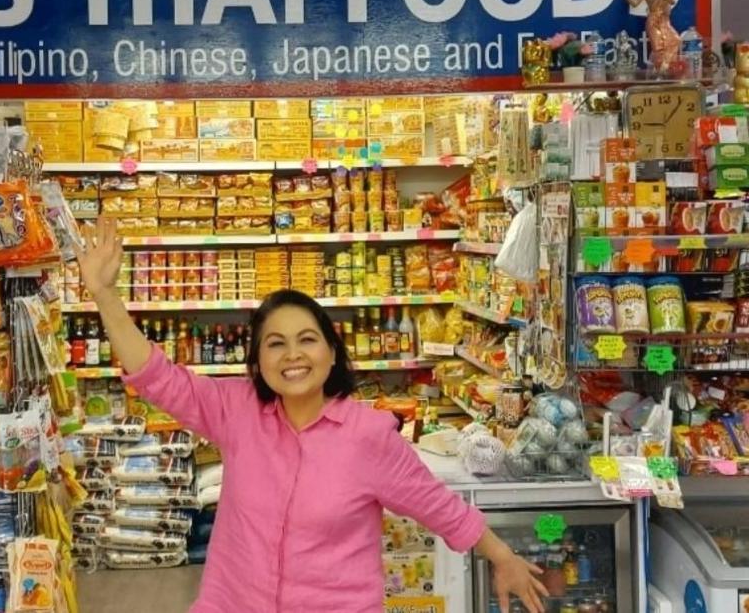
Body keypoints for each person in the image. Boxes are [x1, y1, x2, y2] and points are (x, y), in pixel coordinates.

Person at [75, 218, 548, 613]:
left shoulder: (368, 436)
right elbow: (157, 376)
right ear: (257, 362)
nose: (292, 355)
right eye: (275, 343)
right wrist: (103, 294)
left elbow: (438, 507)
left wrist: (501, 556)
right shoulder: (236, 411)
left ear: (331, 351)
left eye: (307, 339)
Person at [624, 0, 680, 71]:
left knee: (675, 40)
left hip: (664, 19)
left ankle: (666, 66)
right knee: (658, 48)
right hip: (653, 20)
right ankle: (660, 71)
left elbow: (672, 1)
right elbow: (635, 3)